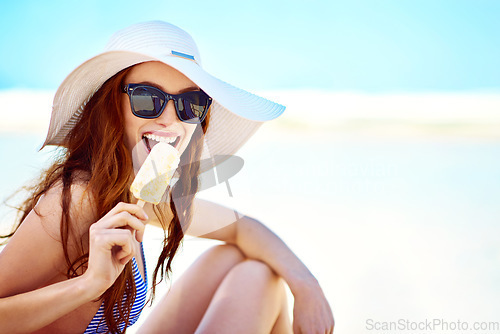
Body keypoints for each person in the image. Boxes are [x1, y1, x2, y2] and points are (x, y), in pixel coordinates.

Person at [0, 21, 334, 333]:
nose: (170, 120)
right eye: (148, 98)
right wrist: (88, 285)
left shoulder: (136, 193)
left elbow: (241, 228)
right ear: (110, 107)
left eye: (191, 103)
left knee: (252, 266)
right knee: (259, 282)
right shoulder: (77, 198)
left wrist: (307, 287)